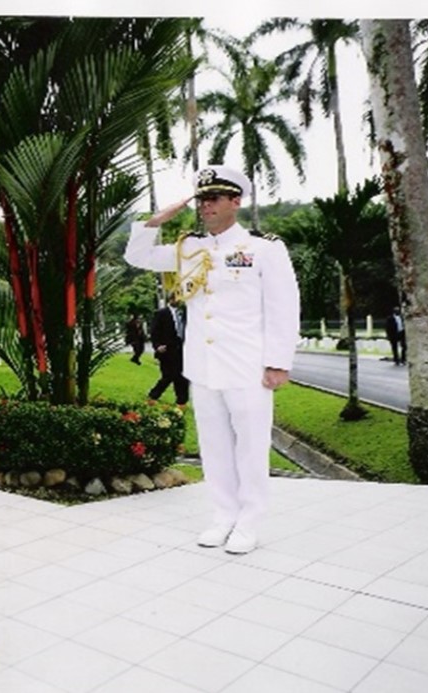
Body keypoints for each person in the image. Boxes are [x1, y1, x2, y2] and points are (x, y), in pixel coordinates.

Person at [124, 164, 300, 555]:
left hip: (247, 366)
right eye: (201, 199)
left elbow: (284, 307)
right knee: (215, 446)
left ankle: (249, 521)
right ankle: (223, 516)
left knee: (251, 447)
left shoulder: (264, 248)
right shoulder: (190, 249)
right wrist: (155, 221)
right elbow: (137, 256)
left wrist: (278, 361)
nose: (205, 206)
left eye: (214, 198)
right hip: (203, 367)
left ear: (235, 201)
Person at [147, 293, 190, 407]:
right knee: (168, 375)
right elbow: (154, 331)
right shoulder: (161, 313)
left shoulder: (184, 313)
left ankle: (182, 401)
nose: (178, 301)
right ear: (170, 299)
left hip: (181, 348)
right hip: (166, 350)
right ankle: (153, 395)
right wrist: (157, 346)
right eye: (176, 298)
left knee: (182, 376)